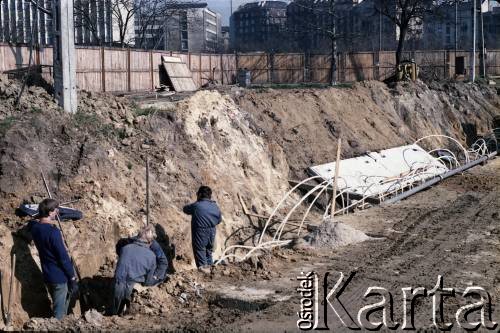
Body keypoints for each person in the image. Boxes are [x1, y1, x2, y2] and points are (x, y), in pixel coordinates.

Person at [27, 198, 78, 320]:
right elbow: (63, 258)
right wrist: (72, 276)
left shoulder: (35, 228)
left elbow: (32, 222)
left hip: (47, 275)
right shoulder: (53, 233)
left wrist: (42, 215)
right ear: (50, 213)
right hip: (59, 277)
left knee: (57, 304)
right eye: (56, 210)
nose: (58, 212)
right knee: (59, 314)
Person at [111, 224, 166, 315]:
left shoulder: (125, 247)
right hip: (132, 285)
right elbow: (147, 282)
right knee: (161, 277)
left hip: (117, 284)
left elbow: (163, 262)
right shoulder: (150, 255)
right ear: (149, 242)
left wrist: (157, 274)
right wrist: (154, 278)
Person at [183, 186, 222, 268]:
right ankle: (211, 274)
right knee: (208, 253)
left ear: (200, 195)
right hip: (212, 232)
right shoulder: (215, 206)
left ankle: (204, 276)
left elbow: (185, 209)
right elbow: (219, 220)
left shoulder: (197, 206)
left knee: (201, 256)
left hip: (200, 233)